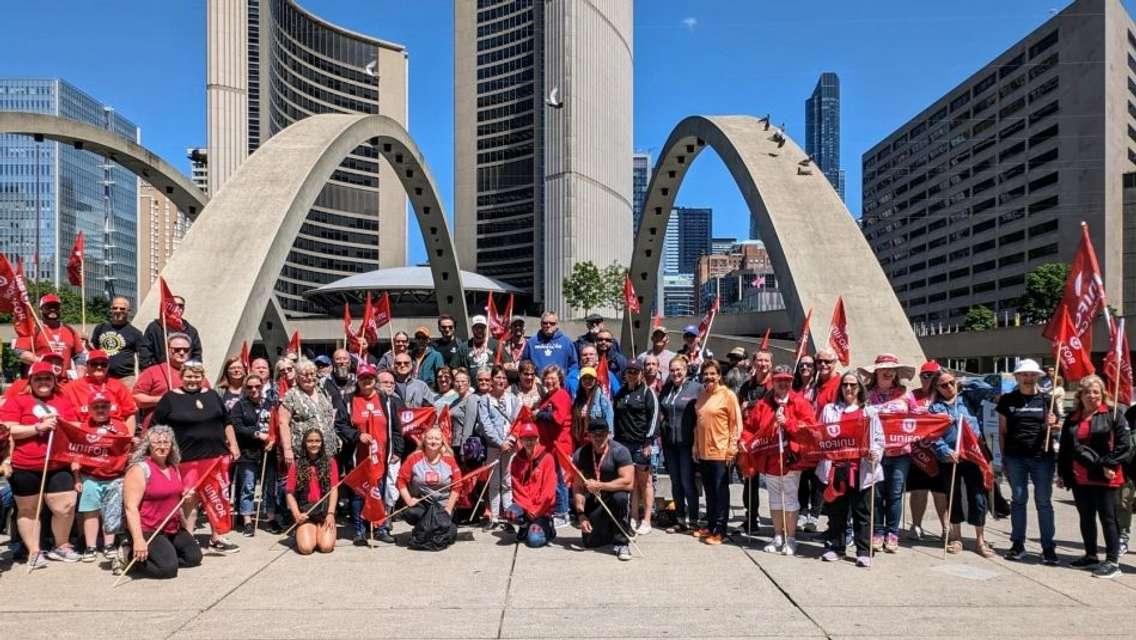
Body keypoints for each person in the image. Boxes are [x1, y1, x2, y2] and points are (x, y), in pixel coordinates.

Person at [152, 360, 241, 553]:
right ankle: (188, 539)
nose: (193, 380)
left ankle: (217, 537)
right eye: (189, 376)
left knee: (217, 498)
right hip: (186, 459)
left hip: (216, 457)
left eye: (197, 376)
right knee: (189, 499)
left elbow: (227, 421)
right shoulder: (170, 398)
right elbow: (157, 427)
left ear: (203, 377)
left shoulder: (212, 395)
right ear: (181, 376)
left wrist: (233, 444)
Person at [0, 361, 81, 568]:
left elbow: (75, 427)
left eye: (47, 378)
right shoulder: (18, 401)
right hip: (25, 464)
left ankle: (61, 545)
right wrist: (38, 427)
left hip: (57, 463)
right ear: (31, 381)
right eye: (38, 378)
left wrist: (63, 425)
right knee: (28, 509)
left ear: (54, 381)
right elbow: (8, 429)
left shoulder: (64, 401)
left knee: (66, 505)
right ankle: (34, 551)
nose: (43, 382)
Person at [1058, 375, 1133, 579]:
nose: (1092, 396)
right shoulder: (1073, 418)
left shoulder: (1113, 414)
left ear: (1103, 394)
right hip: (1079, 477)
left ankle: (1112, 561)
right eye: (1087, 392)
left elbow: (1124, 446)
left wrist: (1107, 465)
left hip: (1106, 477)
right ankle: (1090, 555)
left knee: (1108, 518)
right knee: (1086, 517)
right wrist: (1062, 473)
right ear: (1080, 396)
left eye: (1096, 392)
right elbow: (1065, 449)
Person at [744, 364, 814, 555]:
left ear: (791, 382)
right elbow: (750, 428)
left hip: (791, 460)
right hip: (770, 460)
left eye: (787, 380)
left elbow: (810, 429)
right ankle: (777, 535)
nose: (783, 383)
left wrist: (789, 423)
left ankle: (791, 538)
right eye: (779, 380)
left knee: (790, 499)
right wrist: (744, 441)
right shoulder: (763, 405)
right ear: (773, 382)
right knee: (775, 499)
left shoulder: (800, 403)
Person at [817, 372, 884, 567]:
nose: (848, 389)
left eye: (853, 385)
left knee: (862, 512)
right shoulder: (830, 410)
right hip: (837, 468)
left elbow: (879, 438)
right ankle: (836, 547)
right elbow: (822, 433)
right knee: (837, 511)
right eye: (845, 385)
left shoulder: (869, 412)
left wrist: (875, 453)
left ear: (860, 388)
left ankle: (863, 551)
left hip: (861, 469)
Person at [997, 358, 1059, 564]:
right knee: (1018, 500)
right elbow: (1002, 432)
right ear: (1017, 376)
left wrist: (1055, 422)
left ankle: (1048, 547)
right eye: (1024, 374)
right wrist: (1004, 459)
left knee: (1043, 502)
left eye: (1032, 374)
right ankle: (1017, 544)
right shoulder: (1007, 400)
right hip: (1015, 458)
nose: (1028, 377)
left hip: (1042, 458)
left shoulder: (1047, 399)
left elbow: (1058, 426)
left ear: (1038, 377)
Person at [120, 425, 202, 578]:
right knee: (168, 570)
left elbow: (174, 496)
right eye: (157, 442)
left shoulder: (173, 467)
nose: (162, 446)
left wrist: (185, 496)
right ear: (148, 446)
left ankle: (163, 555)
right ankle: (129, 554)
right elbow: (130, 508)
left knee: (193, 557)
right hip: (149, 529)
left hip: (172, 527)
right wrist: (138, 539)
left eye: (166, 442)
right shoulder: (139, 469)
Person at [929, 370, 992, 558]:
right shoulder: (935, 408)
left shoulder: (968, 398)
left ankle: (980, 539)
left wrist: (964, 381)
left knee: (978, 497)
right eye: (943, 385)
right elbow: (932, 435)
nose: (948, 387)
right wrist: (944, 451)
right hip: (951, 457)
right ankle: (956, 537)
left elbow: (988, 387)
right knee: (953, 496)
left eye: (951, 382)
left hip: (972, 454)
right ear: (936, 388)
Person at [858, 353, 917, 552]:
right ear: (876, 372)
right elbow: (859, 419)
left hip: (901, 453)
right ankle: (878, 531)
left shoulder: (906, 394)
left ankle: (893, 533)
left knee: (895, 493)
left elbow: (918, 419)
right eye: (883, 369)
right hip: (876, 453)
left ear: (896, 373)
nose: (888, 372)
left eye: (891, 369)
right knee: (876, 493)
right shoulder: (866, 394)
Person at [72, 392, 132, 564]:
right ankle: (90, 546)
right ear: (89, 409)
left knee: (111, 513)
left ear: (110, 408)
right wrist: (76, 478)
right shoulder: (83, 427)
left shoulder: (119, 426)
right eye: (96, 407)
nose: (100, 410)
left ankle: (109, 545)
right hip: (91, 476)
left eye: (104, 406)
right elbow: (75, 452)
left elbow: (126, 450)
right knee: (90, 512)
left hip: (114, 476)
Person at [347, 364, 403, 545]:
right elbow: (341, 426)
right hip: (359, 457)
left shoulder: (387, 400)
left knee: (380, 491)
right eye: (363, 377)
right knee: (359, 493)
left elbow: (396, 429)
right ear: (358, 380)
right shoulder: (350, 400)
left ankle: (380, 527)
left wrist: (397, 450)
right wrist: (358, 435)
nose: (367, 380)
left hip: (381, 456)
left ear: (375, 379)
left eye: (370, 377)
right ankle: (359, 530)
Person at [692, 360, 742, 545]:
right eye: (706, 374)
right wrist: (695, 446)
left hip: (721, 452)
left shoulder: (728, 395)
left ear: (719, 375)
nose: (709, 377)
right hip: (704, 452)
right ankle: (711, 524)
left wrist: (732, 447)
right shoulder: (702, 395)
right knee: (710, 492)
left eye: (713, 373)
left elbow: (735, 423)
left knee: (721, 493)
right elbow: (698, 424)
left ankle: (720, 529)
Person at [573, 417, 635, 560]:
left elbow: (628, 483)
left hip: (612, 495)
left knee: (620, 497)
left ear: (608, 434)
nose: (599, 438)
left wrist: (600, 485)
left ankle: (622, 542)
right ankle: (609, 529)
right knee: (590, 543)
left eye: (602, 435)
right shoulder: (580, 454)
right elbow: (577, 487)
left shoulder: (620, 451)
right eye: (595, 435)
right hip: (594, 499)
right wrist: (581, 515)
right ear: (588, 436)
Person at [612, 358, 659, 535]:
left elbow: (654, 418)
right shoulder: (620, 393)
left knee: (645, 481)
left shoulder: (648, 393)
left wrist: (648, 441)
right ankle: (632, 516)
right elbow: (616, 417)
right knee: (629, 483)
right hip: (623, 444)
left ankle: (646, 519)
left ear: (641, 374)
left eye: (635, 371)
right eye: (629, 371)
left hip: (641, 444)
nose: (632, 374)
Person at [397, 426, 462, 548]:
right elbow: (400, 480)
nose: (433, 441)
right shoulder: (414, 458)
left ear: (442, 441)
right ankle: (423, 529)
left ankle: (429, 529)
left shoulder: (449, 460)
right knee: (410, 513)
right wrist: (409, 500)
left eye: (437, 439)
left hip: (442, 504)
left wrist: (448, 508)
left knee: (444, 530)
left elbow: (457, 486)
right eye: (430, 438)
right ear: (424, 440)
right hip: (423, 503)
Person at [907, 359, 949, 542]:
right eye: (925, 376)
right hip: (917, 452)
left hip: (939, 451)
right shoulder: (912, 395)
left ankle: (946, 528)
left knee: (941, 493)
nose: (929, 380)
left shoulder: (944, 396)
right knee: (918, 490)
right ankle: (916, 525)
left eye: (933, 376)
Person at [658, 354, 701, 533]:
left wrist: (697, 443)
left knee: (687, 482)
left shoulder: (696, 388)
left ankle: (694, 519)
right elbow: (662, 412)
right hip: (670, 445)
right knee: (675, 483)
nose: (676, 373)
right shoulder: (667, 389)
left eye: (679, 370)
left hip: (687, 444)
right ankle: (680, 519)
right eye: (673, 370)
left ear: (685, 370)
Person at [228, 373, 273, 536]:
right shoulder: (239, 406)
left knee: (269, 487)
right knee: (248, 486)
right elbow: (237, 426)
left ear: (262, 386)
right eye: (250, 387)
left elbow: (274, 424)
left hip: (267, 452)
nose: (254, 389)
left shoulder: (269, 403)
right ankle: (247, 520)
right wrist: (256, 434)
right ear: (245, 388)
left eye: (257, 386)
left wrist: (272, 439)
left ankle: (270, 517)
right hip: (248, 452)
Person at [278, 359, 341, 471]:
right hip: (304, 454)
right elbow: (283, 423)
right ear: (297, 377)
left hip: (327, 452)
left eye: (312, 374)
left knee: (327, 486)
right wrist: (287, 449)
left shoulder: (323, 392)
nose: (309, 377)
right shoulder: (291, 395)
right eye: (305, 374)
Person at [476, 364, 520, 527]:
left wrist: (512, 439)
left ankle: (508, 516)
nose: (501, 380)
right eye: (497, 377)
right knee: (494, 481)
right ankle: (494, 516)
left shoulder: (513, 399)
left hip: (511, 446)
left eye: (503, 378)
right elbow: (486, 425)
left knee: (507, 481)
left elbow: (518, 421)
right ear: (492, 380)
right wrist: (499, 442)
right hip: (494, 447)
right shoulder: (484, 400)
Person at [133, 333, 204, 430]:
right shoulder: (152, 371)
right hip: (158, 431)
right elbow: (137, 399)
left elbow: (207, 400)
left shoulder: (197, 374)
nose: (182, 353)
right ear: (168, 350)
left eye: (186, 350)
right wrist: (164, 400)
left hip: (189, 430)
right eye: (177, 349)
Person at [284, 428, 339, 555]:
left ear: (322, 443)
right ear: (305, 443)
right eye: (310, 441)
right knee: (306, 549)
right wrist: (297, 515)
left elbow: (334, 489)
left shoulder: (330, 462)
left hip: (324, 512)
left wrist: (330, 513)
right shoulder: (296, 465)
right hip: (306, 513)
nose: (314, 444)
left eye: (317, 441)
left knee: (325, 547)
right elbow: (289, 493)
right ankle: (307, 531)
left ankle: (318, 531)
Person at [507, 419, 557, 547]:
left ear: (537, 439)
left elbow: (549, 491)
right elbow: (516, 487)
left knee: (534, 541)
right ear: (520, 440)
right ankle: (525, 525)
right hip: (525, 507)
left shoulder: (547, 458)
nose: (529, 442)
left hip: (542, 509)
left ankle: (547, 527)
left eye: (532, 438)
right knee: (510, 514)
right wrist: (528, 507)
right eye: (525, 438)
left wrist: (537, 510)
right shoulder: (516, 460)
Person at [62, 349, 138, 432]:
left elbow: (130, 414)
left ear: (108, 366)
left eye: (103, 364)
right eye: (94, 364)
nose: (99, 367)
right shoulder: (71, 388)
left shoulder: (118, 386)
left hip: (116, 434)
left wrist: (129, 437)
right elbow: (66, 420)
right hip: (84, 435)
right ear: (87, 366)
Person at [535, 365, 573, 527]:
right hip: (549, 446)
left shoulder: (561, 395)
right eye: (547, 379)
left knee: (559, 481)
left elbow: (558, 418)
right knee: (553, 479)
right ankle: (557, 510)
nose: (549, 381)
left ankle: (563, 513)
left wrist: (539, 414)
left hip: (559, 445)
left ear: (560, 380)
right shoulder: (548, 397)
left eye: (553, 379)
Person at [12, 294, 84, 372]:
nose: (52, 310)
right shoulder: (33, 329)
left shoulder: (70, 330)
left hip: (65, 381)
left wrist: (80, 377)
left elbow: (79, 356)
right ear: (41, 310)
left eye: (56, 307)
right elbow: (20, 352)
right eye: (48, 307)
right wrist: (42, 362)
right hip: (41, 379)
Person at [792, 354, 823, 532]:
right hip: (799, 438)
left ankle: (815, 514)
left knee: (817, 477)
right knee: (802, 477)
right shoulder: (794, 388)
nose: (805, 368)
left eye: (809, 365)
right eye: (802, 365)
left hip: (816, 438)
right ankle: (803, 512)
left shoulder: (819, 388)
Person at [138, 294, 202, 368]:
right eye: (173, 305)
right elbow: (145, 351)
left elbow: (196, 354)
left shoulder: (191, 330)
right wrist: (151, 369)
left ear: (183, 308)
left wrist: (191, 371)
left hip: (183, 373)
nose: (177, 308)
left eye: (180, 305)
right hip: (160, 372)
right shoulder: (154, 327)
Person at [90, 296, 144, 383]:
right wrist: (85, 344)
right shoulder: (100, 328)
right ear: (111, 310)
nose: (118, 311)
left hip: (125, 379)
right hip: (102, 376)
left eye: (122, 308)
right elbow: (94, 351)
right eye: (115, 308)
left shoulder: (135, 333)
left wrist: (142, 379)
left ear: (128, 311)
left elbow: (142, 358)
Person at [571, 366, 614, 440]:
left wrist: (608, 437)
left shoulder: (602, 399)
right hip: (580, 440)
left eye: (590, 378)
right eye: (585, 378)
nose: (587, 381)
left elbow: (609, 419)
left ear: (595, 380)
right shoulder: (577, 400)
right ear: (581, 381)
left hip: (597, 439)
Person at [452, 368, 485, 455]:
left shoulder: (472, 399)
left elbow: (469, 427)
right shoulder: (454, 402)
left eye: (463, 381)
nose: (460, 384)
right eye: (457, 381)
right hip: (454, 443)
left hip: (466, 445)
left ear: (469, 383)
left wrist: (464, 451)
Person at [811, 350, 842, 414]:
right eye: (819, 361)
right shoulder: (816, 384)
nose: (822, 364)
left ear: (835, 362)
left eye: (827, 361)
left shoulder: (840, 385)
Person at [499, 316, 529, 381]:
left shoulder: (529, 344)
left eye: (520, 325)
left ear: (524, 328)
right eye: (515, 325)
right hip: (508, 379)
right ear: (510, 328)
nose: (518, 328)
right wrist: (503, 366)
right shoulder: (504, 345)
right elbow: (498, 363)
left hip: (524, 379)